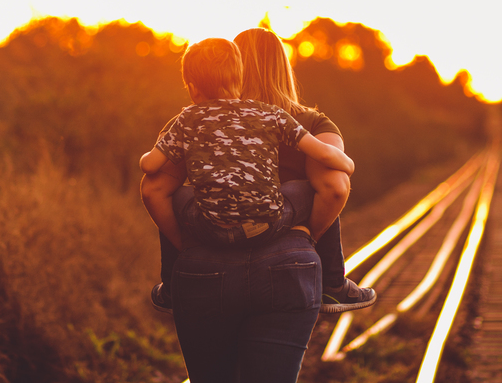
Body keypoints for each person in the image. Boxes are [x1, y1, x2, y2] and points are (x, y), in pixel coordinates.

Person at [143, 27, 375, 313]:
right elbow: (334, 187)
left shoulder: (193, 119)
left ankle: (172, 285)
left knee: (177, 195)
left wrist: (185, 248)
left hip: (209, 251)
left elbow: (154, 189)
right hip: (284, 250)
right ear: (284, 68)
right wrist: (306, 238)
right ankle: (332, 286)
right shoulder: (311, 124)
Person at [139, 37, 355, 247]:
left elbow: (153, 185)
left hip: (210, 228)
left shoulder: (188, 120)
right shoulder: (280, 116)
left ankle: (172, 278)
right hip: (267, 226)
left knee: (171, 194)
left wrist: (181, 245)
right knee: (315, 186)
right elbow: (332, 180)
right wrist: (348, 165)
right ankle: (333, 280)